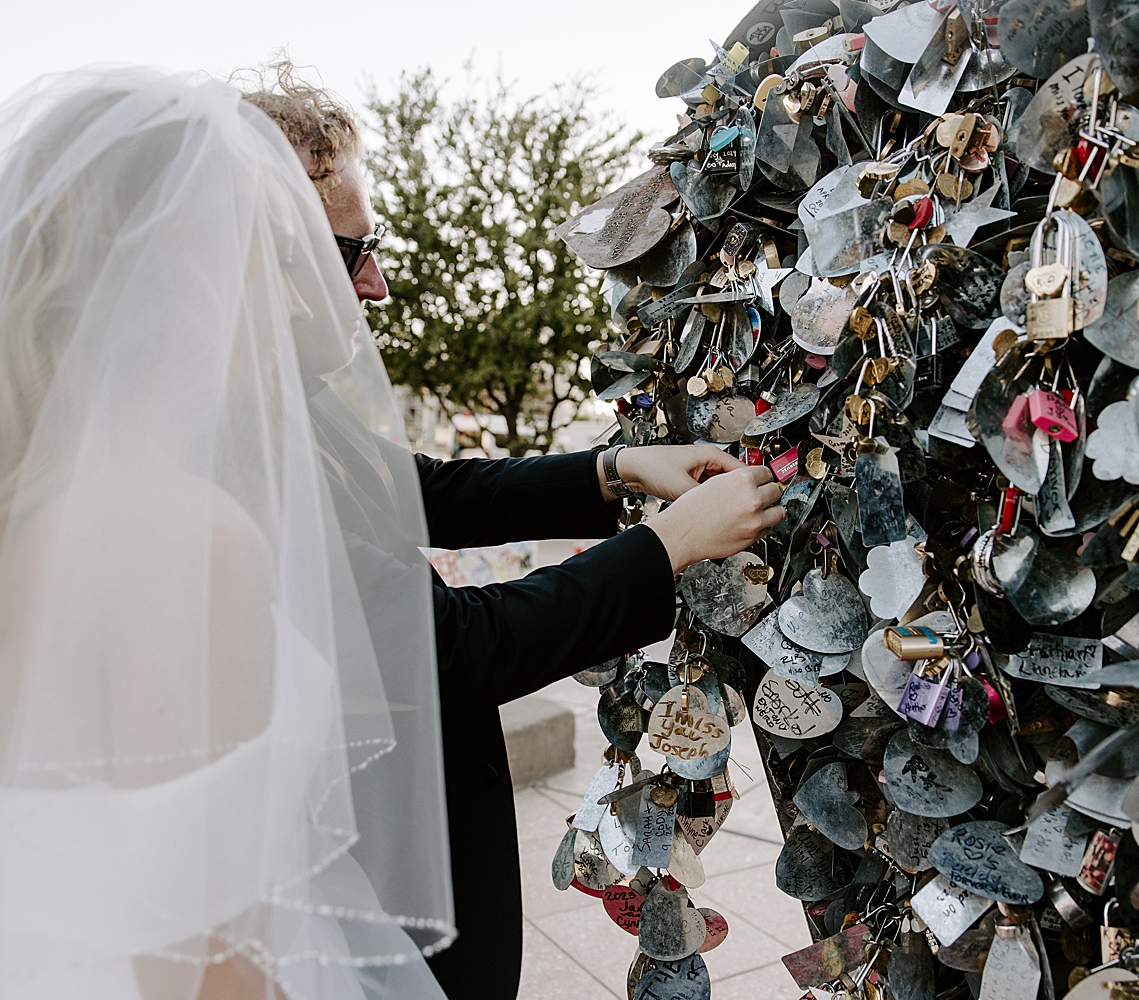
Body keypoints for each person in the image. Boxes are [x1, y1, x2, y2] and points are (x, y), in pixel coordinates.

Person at [0, 69, 455, 1000]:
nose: (302, 302)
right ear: (182, 272)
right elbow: (202, 964)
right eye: (272, 256)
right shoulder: (185, 537)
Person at [240, 68, 786, 1000]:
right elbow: (449, 650)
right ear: (259, 259)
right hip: (363, 888)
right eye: (350, 254)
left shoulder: (279, 400)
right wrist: (671, 545)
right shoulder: (228, 448)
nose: (375, 286)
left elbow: (429, 490)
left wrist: (614, 469)